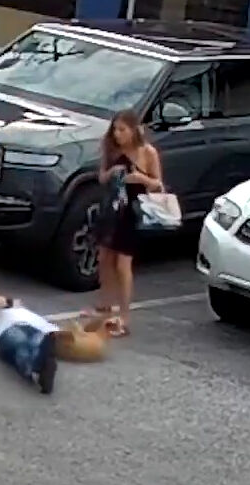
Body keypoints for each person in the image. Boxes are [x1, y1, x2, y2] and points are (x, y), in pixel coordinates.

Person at [89, 109, 164, 337]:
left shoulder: (147, 152)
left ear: (134, 130)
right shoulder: (112, 150)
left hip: (133, 211)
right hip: (112, 209)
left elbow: (158, 185)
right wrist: (112, 171)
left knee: (123, 264)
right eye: (115, 129)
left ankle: (124, 315)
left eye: (122, 130)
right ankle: (105, 305)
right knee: (104, 258)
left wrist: (141, 178)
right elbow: (101, 178)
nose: (118, 134)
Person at [0, 294, 60, 394]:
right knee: (21, 342)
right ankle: (41, 363)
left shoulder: (21, 310)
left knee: (33, 342)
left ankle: (39, 364)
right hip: (6, 332)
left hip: (33, 330)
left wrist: (7, 302)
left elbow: (58, 334)